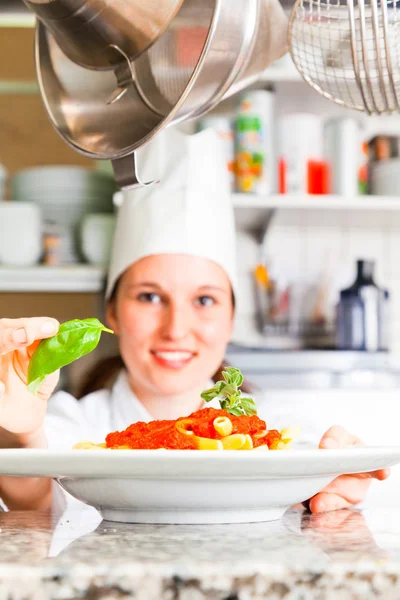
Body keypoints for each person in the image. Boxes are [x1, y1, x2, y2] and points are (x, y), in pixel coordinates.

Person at [0, 130, 389, 514]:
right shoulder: (70, 426)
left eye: (205, 300)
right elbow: (38, 505)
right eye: (150, 297)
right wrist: (21, 435)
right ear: (112, 312)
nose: (176, 328)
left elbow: (314, 495)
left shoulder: (282, 436)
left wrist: (325, 489)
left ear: (231, 318)